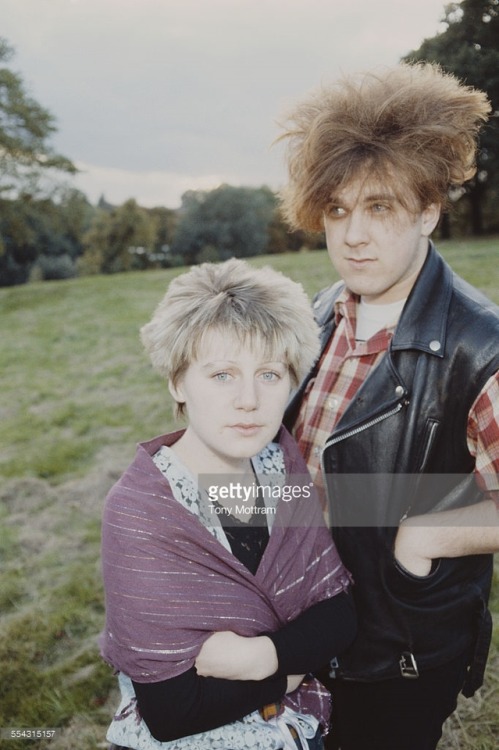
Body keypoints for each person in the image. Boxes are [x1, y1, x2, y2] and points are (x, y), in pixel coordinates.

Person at [278, 62, 499, 750]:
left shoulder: (477, 346)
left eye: (379, 207)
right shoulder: (318, 312)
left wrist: (422, 538)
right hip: (303, 634)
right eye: (338, 211)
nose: (352, 236)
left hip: (396, 653)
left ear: (428, 209)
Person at [100, 258, 355, 750]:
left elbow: (338, 616)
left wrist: (261, 657)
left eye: (269, 374)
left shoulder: (281, 467)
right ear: (178, 382)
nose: (249, 400)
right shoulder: (141, 513)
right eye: (221, 375)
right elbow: (172, 711)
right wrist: (287, 672)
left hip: (295, 732)